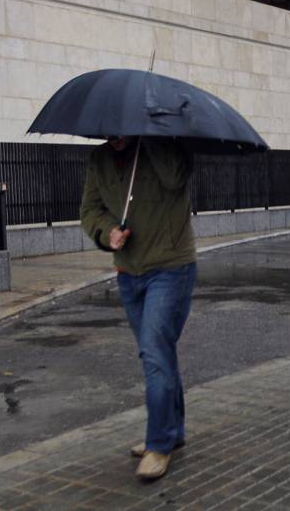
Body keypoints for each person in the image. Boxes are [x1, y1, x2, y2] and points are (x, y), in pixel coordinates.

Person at [80, 136, 196, 480]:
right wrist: (107, 233)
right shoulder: (99, 159)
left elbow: (176, 178)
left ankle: (158, 444)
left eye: (121, 129)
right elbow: (90, 209)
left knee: (154, 354)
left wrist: (152, 140)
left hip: (171, 268)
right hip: (128, 273)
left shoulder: (167, 147)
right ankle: (172, 432)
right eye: (108, 131)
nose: (114, 137)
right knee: (160, 351)